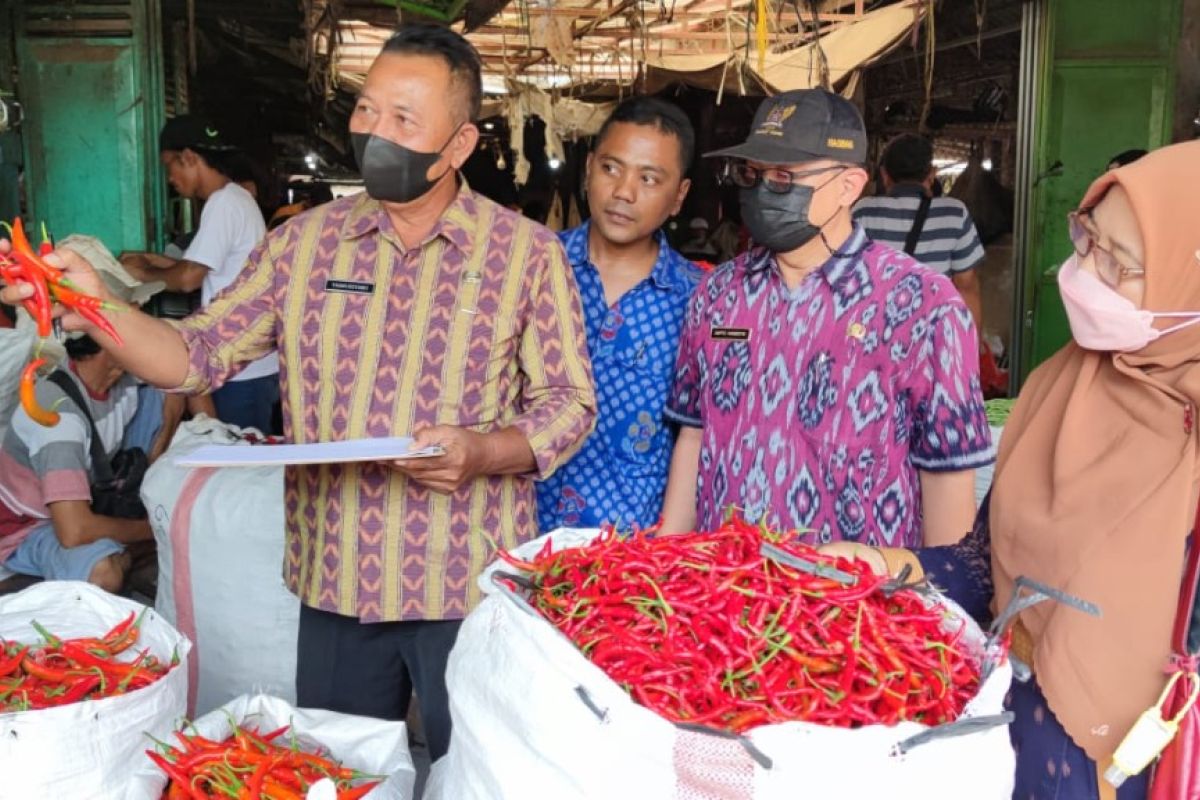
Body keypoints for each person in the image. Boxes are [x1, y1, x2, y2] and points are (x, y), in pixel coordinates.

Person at [1, 24, 596, 760]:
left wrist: (485, 451)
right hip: (337, 572)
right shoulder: (303, 245)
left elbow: (570, 401)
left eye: (404, 120)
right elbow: (194, 354)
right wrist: (96, 304)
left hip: (464, 579)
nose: (376, 132)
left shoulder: (524, 254)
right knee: (336, 769)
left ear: (460, 145)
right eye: (368, 110)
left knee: (468, 769)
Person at [828, 140, 1200, 800]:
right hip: (1010, 728)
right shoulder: (1064, 383)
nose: (1085, 271)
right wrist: (878, 563)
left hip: (1137, 761)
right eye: (1088, 239)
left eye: (1123, 265)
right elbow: (986, 561)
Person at [659, 89, 992, 548]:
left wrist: (935, 601)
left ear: (849, 186)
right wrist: (667, 559)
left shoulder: (923, 305)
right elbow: (694, 436)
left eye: (782, 177)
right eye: (750, 174)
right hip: (727, 595)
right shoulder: (718, 293)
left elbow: (947, 478)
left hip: (855, 607)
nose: (759, 191)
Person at [537, 97, 700, 532]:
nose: (624, 192)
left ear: (678, 195)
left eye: (649, 179)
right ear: (588, 167)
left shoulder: (697, 299)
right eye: (611, 168)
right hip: (522, 538)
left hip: (634, 555)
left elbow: (697, 435)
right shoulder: (534, 268)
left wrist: (666, 553)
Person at [0, 262, 181, 593]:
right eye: (125, 321)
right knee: (103, 572)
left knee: (166, 388)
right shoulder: (57, 417)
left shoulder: (123, 378)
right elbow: (73, 531)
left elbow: (178, 381)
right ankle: (137, 555)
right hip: (32, 527)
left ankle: (139, 550)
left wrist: (158, 462)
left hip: (86, 497)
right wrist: (154, 529)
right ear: (102, 337)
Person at [120, 115, 280, 433]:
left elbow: (189, 277)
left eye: (170, 167)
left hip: (239, 368)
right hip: (251, 362)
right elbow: (207, 266)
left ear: (190, 157)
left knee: (236, 465)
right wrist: (153, 261)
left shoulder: (223, 203)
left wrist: (143, 274)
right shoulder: (237, 199)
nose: (170, 179)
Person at [852, 134, 986, 335]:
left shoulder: (865, 211)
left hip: (877, 336)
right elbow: (966, 287)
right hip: (933, 336)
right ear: (931, 175)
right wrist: (971, 349)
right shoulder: (954, 213)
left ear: (884, 174)